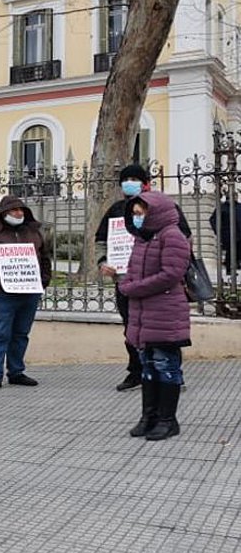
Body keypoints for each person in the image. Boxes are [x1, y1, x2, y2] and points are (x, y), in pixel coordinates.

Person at [96, 164, 191, 391]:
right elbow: (101, 240)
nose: (129, 182)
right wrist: (103, 263)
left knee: (163, 332)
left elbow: (185, 238)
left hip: (157, 285)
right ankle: (137, 372)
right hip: (126, 282)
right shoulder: (117, 209)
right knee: (132, 329)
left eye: (134, 178)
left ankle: (172, 374)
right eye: (125, 179)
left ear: (146, 182)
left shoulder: (167, 208)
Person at [121, 192, 191, 440]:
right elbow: (131, 269)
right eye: (135, 213)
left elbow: (171, 274)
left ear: (155, 212)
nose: (137, 218)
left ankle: (167, 419)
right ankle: (148, 416)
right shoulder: (142, 238)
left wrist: (133, 288)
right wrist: (126, 283)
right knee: (148, 366)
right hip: (142, 314)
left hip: (165, 312)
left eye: (141, 213)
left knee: (165, 365)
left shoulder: (172, 236)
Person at [0, 196, 53, 393]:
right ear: (3, 213)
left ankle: (16, 372)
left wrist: (43, 282)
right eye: (14, 210)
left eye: (21, 210)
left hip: (29, 293)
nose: (19, 213)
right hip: (2, 295)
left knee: (21, 334)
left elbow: (45, 258)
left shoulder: (33, 233)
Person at [209, 196, 241, 273]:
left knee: (238, 250)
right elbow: (213, 220)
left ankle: (236, 264)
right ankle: (229, 269)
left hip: (239, 233)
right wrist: (218, 232)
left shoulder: (239, 206)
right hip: (227, 234)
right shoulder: (222, 207)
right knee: (230, 251)